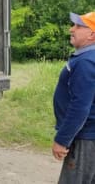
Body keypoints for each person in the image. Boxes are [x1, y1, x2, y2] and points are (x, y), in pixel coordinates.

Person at [52, 12, 95, 184]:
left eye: (78, 26)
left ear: (92, 34)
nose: (72, 29)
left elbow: (80, 107)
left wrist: (62, 140)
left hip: (85, 138)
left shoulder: (86, 62)